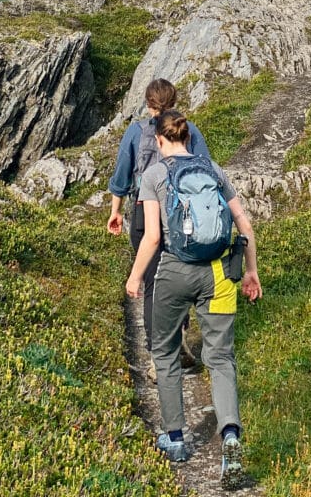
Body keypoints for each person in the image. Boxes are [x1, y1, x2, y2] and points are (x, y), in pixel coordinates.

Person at [125, 110, 262, 489]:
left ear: (158, 139)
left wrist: (135, 277)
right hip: (218, 275)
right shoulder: (214, 170)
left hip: (174, 273)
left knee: (166, 353)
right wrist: (251, 271)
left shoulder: (154, 176)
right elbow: (245, 226)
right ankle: (230, 437)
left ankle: (176, 439)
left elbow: (153, 238)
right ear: (188, 138)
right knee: (220, 358)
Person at [108, 78, 210, 352]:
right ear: (174, 101)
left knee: (153, 283)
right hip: (183, 213)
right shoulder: (190, 131)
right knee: (180, 274)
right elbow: (205, 171)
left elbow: (121, 176)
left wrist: (116, 211)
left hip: (144, 210)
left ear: (147, 102)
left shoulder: (135, 132)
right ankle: (180, 339)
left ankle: (159, 354)